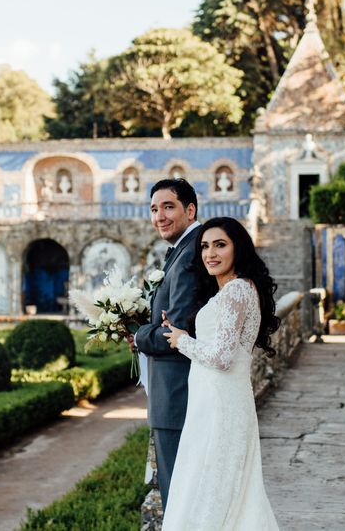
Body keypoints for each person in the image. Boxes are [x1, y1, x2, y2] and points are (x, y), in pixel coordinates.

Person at [161, 216, 281, 530]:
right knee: (221, 485)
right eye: (204, 246)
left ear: (237, 249)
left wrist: (181, 341)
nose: (210, 253)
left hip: (219, 404)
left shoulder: (237, 291)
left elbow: (222, 357)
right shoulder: (234, 290)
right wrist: (179, 332)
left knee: (212, 485)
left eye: (220, 245)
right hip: (216, 400)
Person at [131, 177, 201, 508]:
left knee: (178, 499)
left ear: (190, 210)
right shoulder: (183, 250)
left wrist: (140, 334)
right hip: (175, 392)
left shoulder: (189, 256)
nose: (159, 216)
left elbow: (178, 329)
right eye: (154, 209)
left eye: (168, 207)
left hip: (176, 395)